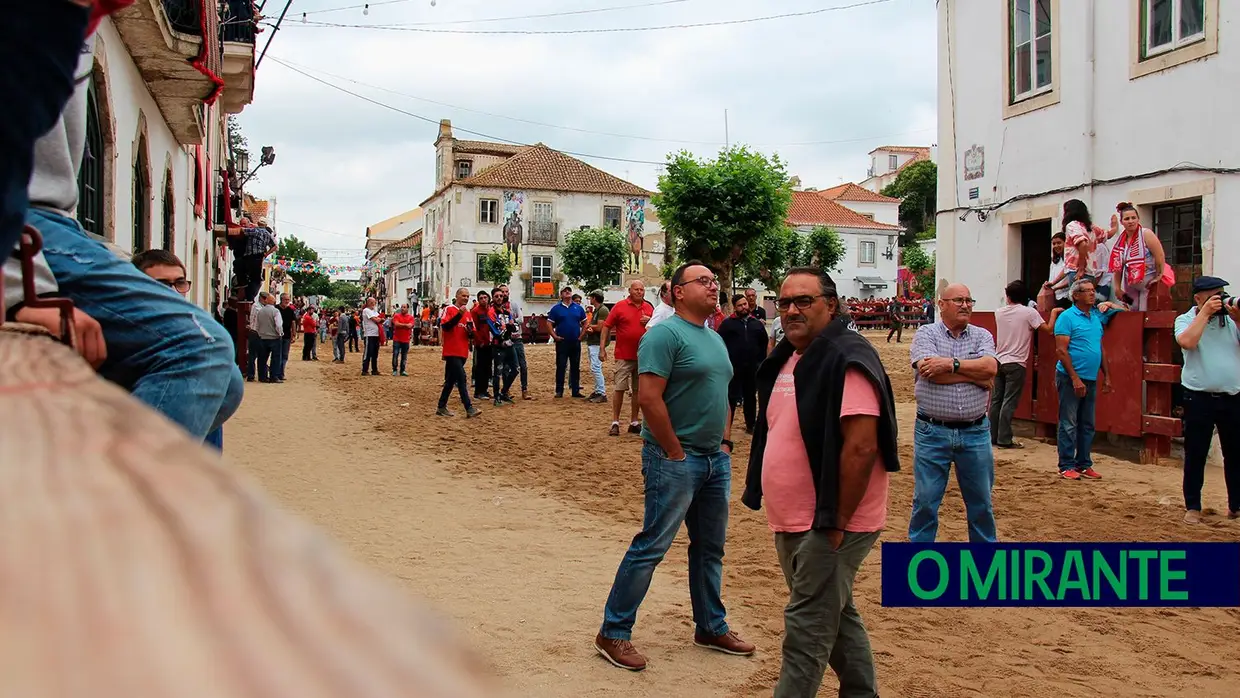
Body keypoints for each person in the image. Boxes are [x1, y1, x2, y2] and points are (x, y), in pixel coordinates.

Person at [742, 267, 899, 698]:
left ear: (831, 305)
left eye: (804, 301)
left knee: (807, 627)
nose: (792, 310)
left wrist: (834, 523)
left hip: (832, 522)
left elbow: (862, 447)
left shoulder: (846, 356)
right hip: (793, 518)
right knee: (837, 615)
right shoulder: (791, 357)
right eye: (785, 301)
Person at [594, 261, 753, 672]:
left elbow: (723, 392)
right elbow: (649, 398)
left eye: (714, 281)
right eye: (702, 281)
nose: (713, 287)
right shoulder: (663, 335)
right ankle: (614, 631)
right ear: (677, 292)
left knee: (710, 547)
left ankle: (710, 626)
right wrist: (675, 452)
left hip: (714, 458)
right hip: (674, 458)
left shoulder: (714, 337)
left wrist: (724, 440)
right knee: (652, 546)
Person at [908, 283, 1000, 543]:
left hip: (976, 431)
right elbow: (929, 373)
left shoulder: (982, 335)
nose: (965, 305)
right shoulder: (926, 333)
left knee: (982, 504)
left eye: (969, 300)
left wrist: (950, 364)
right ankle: (920, 563)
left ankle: (984, 568)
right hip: (932, 431)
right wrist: (975, 376)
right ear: (942, 304)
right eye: (958, 300)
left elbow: (990, 370)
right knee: (925, 503)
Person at [1173, 276, 1240, 523]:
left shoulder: (1231, 321)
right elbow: (1187, 342)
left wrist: (1238, 319)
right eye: (1213, 295)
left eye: (1221, 294)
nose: (1219, 300)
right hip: (1198, 397)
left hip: (1232, 396)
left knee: (1235, 454)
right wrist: (1204, 314)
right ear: (1198, 298)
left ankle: (1236, 506)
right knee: (1196, 453)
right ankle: (1193, 506)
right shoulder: (1186, 319)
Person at [1053, 278, 1113, 480]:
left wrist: (1107, 376)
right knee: (1069, 422)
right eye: (1087, 290)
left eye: (1093, 290)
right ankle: (1066, 464)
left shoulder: (1094, 317)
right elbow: (1061, 351)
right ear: (1076, 295)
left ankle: (1083, 463)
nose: (1092, 294)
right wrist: (1074, 378)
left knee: (1087, 423)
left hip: (1090, 376)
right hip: (1070, 377)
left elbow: (1100, 348)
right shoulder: (1067, 318)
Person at [991, 280, 1056, 449]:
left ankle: (993, 436)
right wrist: (1054, 312)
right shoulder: (1029, 313)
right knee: (1009, 401)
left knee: (996, 400)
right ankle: (1004, 438)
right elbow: (1048, 329)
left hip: (999, 360)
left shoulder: (999, 312)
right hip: (1016, 362)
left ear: (1008, 296)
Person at [600, 281, 653, 436]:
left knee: (638, 390)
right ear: (629, 290)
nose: (639, 292)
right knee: (619, 388)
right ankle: (615, 422)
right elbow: (606, 326)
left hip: (643, 355)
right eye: (636, 289)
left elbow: (658, 327)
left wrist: (650, 320)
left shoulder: (649, 308)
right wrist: (602, 348)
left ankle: (634, 421)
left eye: (642, 289)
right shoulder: (619, 306)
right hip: (624, 355)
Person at [717, 294, 768, 434]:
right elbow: (719, 343)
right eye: (740, 305)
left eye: (745, 304)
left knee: (750, 396)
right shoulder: (727, 324)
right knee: (731, 397)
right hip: (733, 367)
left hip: (752, 367)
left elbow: (764, 344)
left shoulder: (756, 324)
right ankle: (726, 427)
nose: (744, 307)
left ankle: (751, 425)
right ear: (735, 307)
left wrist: (760, 362)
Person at [1108, 202, 1168, 311]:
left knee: (1145, 314)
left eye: (1133, 218)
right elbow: (1118, 266)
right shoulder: (1120, 241)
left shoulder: (1146, 234)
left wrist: (1159, 276)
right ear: (1121, 222)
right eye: (1127, 219)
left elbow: (1159, 255)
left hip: (1148, 283)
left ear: (1138, 219)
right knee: (1133, 313)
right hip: (1130, 284)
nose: (1131, 221)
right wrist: (1117, 287)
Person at [437, 287, 480, 418]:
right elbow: (445, 326)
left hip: (463, 351)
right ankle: (469, 408)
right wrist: (459, 315)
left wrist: (470, 332)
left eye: (467, 296)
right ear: (457, 296)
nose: (466, 298)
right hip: (451, 351)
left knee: (450, 380)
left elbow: (473, 333)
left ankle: (441, 406)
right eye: (463, 296)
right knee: (461, 378)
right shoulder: (449, 309)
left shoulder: (468, 313)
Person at [547, 286, 587, 398]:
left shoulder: (578, 308)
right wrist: (554, 336)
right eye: (565, 291)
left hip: (575, 341)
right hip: (562, 342)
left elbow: (585, 322)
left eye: (569, 290)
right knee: (561, 366)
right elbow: (549, 323)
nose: (567, 292)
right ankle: (559, 390)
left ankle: (575, 390)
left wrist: (581, 336)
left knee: (575, 367)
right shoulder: (556, 309)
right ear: (561, 295)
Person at [496, 284, 533, 400]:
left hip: (517, 338)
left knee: (523, 365)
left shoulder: (514, 304)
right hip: (505, 339)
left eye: (506, 292)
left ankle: (524, 389)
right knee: (506, 367)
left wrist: (510, 322)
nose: (505, 294)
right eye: (502, 292)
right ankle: (506, 390)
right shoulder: (496, 308)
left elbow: (521, 319)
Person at [488, 287, 519, 405]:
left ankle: (504, 391)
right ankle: (497, 397)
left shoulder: (507, 312)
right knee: (498, 372)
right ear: (493, 298)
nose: (499, 298)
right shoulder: (491, 312)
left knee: (515, 369)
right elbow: (495, 330)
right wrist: (508, 328)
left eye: (501, 296)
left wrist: (510, 327)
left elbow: (515, 326)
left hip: (509, 344)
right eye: (496, 296)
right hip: (498, 345)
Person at [584, 290, 610, 403]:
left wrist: (589, 326)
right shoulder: (598, 310)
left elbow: (600, 327)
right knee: (595, 367)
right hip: (594, 342)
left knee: (596, 367)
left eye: (591, 297)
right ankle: (598, 390)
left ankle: (601, 392)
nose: (590, 299)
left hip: (597, 343)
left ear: (594, 298)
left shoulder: (602, 310)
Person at [253, 292, 283, 383]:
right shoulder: (276, 311)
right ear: (274, 302)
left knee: (262, 358)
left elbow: (257, 325)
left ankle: (262, 377)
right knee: (275, 358)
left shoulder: (260, 311)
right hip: (274, 337)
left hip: (263, 337)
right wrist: (280, 333)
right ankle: (274, 376)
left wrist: (260, 333)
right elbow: (278, 325)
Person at [470, 290, 494, 398]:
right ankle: (478, 391)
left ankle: (484, 390)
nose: (484, 299)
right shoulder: (475, 311)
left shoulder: (490, 310)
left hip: (490, 342)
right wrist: (479, 341)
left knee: (487, 367)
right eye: (481, 298)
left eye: (485, 297)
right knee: (480, 367)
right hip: (481, 343)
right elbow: (474, 328)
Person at [1042, 233, 1072, 310]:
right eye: (1054, 244)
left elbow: (1071, 278)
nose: (1056, 246)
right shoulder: (1055, 261)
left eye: (1059, 243)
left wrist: (1056, 287)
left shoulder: (1070, 259)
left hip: (1067, 296)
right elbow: (1051, 279)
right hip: (1055, 296)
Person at [390, 302, 414, 376]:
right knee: (395, 354)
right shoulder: (396, 316)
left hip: (405, 339)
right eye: (402, 307)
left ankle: (402, 370)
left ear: (407, 309)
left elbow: (410, 326)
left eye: (404, 307)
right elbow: (396, 324)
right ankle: (394, 369)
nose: (402, 308)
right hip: (397, 338)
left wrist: (401, 325)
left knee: (404, 356)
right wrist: (405, 325)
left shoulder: (411, 317)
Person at [360, 297, 382, 375]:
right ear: (368, 303)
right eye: (372, 302)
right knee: (368, 353)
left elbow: (380, 318)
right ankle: (364, 370)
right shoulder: (366, 310)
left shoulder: (374, 311)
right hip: (369, 335)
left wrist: (379, 318)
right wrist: (378, 319)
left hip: (376, 334)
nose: (373, 304)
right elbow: (376, 319)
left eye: (374, 302)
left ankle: (374, 370)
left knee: (375, 353)